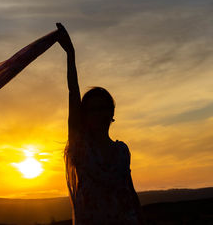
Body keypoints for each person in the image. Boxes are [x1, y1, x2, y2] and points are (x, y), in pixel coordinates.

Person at [56, 22, 146, 225]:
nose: (99, 114)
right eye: (93, 110)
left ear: (111, 113)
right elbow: (73, 92)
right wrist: (70, 54)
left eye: (103, 108)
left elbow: (130, 192)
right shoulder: (81, 148)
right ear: (85, 116)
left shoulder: (122, 151)